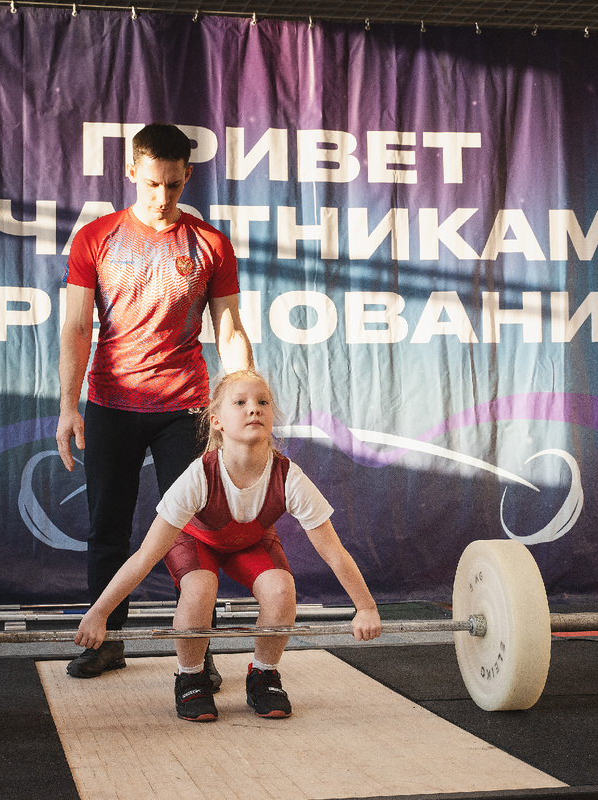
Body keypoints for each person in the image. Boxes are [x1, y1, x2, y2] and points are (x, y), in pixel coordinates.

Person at [57, 123, 255, 682]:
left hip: (185, 408)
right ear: (131, 173)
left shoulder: (210, 243)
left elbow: (231, 330)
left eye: (173, 185)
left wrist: (241, 409)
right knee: (107, 529)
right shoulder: (96, 238)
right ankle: (104, 641)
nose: (163, 197)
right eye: (151, 184)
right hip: (112, 403)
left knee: (194, 532)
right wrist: (68, 406)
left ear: (187, 175)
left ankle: (197, 651)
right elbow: (75, 326)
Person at [74, 370, 382, 721]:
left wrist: (366, 607)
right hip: (195, 540)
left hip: (249, 543)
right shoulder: (199, 475)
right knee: (200, 589)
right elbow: (146, 556)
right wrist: (99, 613)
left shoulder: (288, 476)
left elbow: (334, 551)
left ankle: (264, 674)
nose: (255, 409)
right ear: (216, 420)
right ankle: (190, 677)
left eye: (262, 402)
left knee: (281, 590)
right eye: (241, 403)